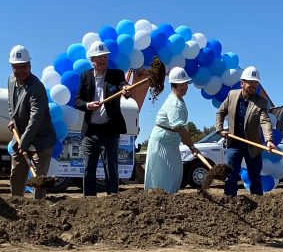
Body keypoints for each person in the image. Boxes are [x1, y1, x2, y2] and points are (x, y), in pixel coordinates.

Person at [74, 41, 132, 197]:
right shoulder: (85, 76)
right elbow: (77, 101)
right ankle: (89, 201)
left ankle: (113, 200)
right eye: (99, 57)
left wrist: (126, 89)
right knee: (88, 170)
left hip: (110, 132)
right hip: (90, 132)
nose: (103, 60)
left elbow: (124, 86)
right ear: (92, 59)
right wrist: (88, 105)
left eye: (105, 57)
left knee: (111, 169)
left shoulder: (116, 74)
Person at [215, 66, 276, 197]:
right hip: (234, 143)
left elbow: (265, 121)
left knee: (255, 177)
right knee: (230, 176)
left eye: (255, 83)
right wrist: (219, 129)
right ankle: (230, 200)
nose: (253, 85)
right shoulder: (232, 95)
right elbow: (220, 112)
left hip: (252, 145)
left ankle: (258, 204)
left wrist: (269, 140)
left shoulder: (261, 102)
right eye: (251, 82)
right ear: (242, 83)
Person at [5, 45, 56, 199]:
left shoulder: (36, 88)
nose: (20, 71)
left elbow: (36, 117)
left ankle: (39, 210)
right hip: (21, 136)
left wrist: (25, 142)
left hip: (41, 138)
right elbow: (10, 103)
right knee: (16, 175)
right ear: (11, 66)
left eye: (24, 67)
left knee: (38, 179)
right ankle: (16, 204)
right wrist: (12, 119)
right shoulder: (11, 80)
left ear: (30, 65)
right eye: (16, 67)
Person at [144, 67, 200, 193]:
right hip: (162, 142)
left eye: (186, 84)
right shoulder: (174, 104)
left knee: (175, 173)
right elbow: (180, 129)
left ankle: (169, 200)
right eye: (181, 84)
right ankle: (156, 202)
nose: (185, 87)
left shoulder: (179, 100)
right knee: (161, 176)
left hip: (171, 142)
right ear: (173, 85)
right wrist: (192, 147)